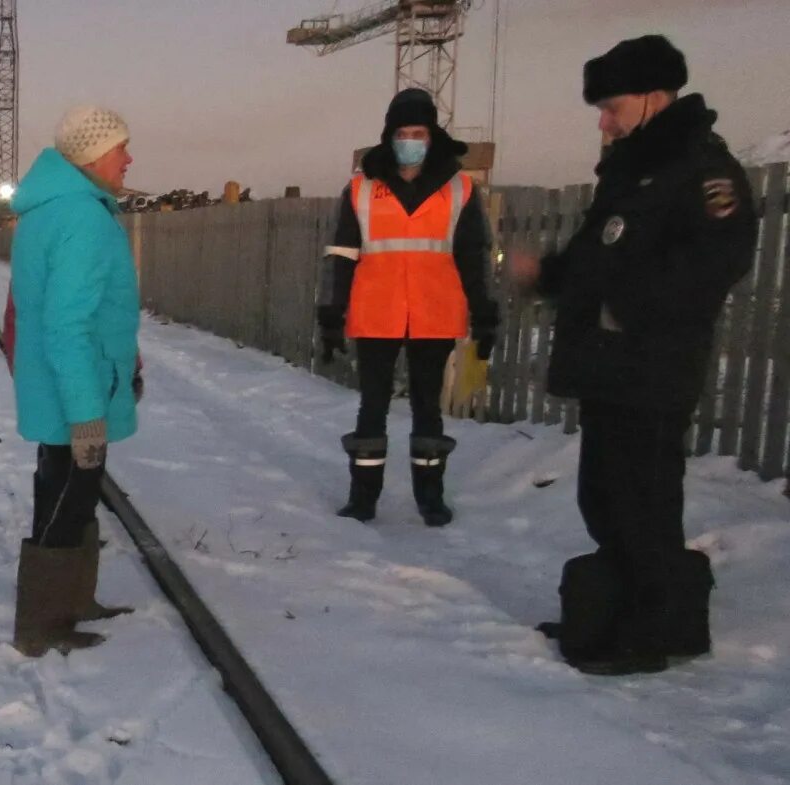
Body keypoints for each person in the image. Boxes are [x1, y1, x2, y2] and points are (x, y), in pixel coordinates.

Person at [510, 36, 757, 675]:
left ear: (652, 98)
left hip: (653, 366)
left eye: (612, 106)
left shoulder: (704, 171)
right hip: (612, 365)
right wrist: (550, 275)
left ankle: (645, 636)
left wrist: (628, 311)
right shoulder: (633, 169)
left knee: (643, 502)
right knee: (605, 496)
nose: (603, 119)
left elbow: (713, 265)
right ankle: (615, 615)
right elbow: (601, 257)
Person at [316, 88, 499, 526]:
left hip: (435, 314)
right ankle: (363, 500)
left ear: (432, 135)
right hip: (375, 313)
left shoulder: (459, 189)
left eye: (418, 132)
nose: (410, 140)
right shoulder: (362, 188)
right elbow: (341, 254)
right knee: (372, 407)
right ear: (389, 135)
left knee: (427, 409)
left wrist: (484, 311)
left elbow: (473, 256)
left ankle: (430, 499)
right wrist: (331, 312)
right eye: (403, 132)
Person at [8, 105, 140, 657]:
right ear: (91, 156)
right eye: (120, 149)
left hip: (66, 383)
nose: (129, 159)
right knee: (70, 497)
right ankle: (42, 623)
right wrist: (88, 412)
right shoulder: (83, 218)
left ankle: (71, 600)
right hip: (75, 394)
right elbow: (68, 325)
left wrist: (125, 363)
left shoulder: (50, 210)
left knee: (63, 492)